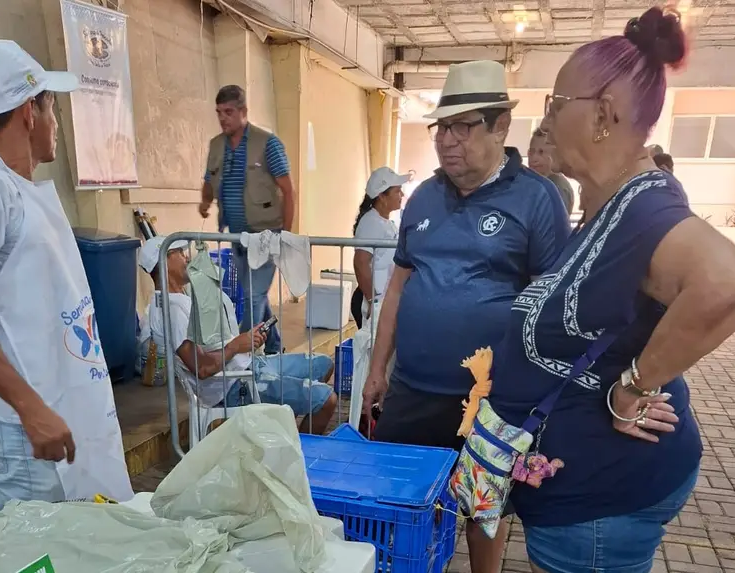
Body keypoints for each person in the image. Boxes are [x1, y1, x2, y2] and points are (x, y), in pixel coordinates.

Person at [485, 8, 735, 572]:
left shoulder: (643, 206)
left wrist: (633, 387)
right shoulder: (609, 206)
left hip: (598, 509)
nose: (547, 121)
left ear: (603, 116)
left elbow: (727, 281)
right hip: (587, 500)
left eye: (556, 106)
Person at [362, 60, 570, 573]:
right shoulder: (423, 198)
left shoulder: (537, 200)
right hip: (412, 387)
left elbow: (552, 305)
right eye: (441, 129)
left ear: (500, 126)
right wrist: (376, 369)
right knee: (397, 498)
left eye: (463, 126)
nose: (447, 141)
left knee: (483, 509)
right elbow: (399, 285)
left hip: (490, 400)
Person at [0, 40, 133, 511]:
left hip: (60, 413)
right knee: (41, 556)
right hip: (26, 436)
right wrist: (30, 407)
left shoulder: (15, 186)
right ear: (27, 111)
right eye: (51, 106)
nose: (55, 121)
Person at [140, 237, 338, 434]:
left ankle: (281, 429)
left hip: (247, 366)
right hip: (234, 385)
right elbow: (201, 367)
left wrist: (245, 341)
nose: (187, 257)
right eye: (180, 253)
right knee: (326, 400)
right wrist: (236, 346)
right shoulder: (171, 310)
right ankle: (297, 456)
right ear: (164, 262)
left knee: (323, 363)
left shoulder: (183, 296)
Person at [199, 85, 295, 355]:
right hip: (237, 236)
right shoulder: (216, 145)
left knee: (253, 296)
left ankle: (242, 357)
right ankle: (275, 346)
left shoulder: (268, 144)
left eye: (228, 112)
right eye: (219, 113)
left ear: (243, 112)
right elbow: (209, 179)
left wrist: (284, 235)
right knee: (257, 295)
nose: (223, 118)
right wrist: (205, 202)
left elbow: (288, 190)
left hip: (265, 235)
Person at [350, 167, 407, 328]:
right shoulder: (371, 223)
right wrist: (372, 301)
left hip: (383, 297)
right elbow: (361, 263)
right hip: (372, 298)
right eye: (397, 191)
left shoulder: (387, 222)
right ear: (382, 196)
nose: (401, 195)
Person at [528, 128, 576, 215]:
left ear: (554, 154)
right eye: (531, 152)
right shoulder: (537, 183)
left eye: (541, 152)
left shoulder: (557, 188)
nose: (533, 158)